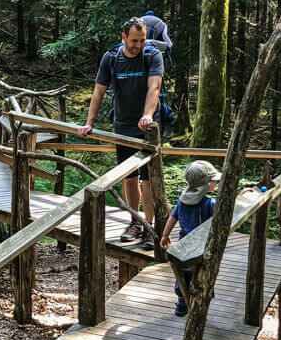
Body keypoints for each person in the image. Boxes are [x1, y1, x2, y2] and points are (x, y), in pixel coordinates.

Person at [79, 17, 164, 250]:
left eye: (143, 40)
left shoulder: (152, 56)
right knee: (129, 177)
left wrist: (147, 115)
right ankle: (134, 222)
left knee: (148, 178)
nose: (139, 45)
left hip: (148, 129)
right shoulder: (111, 59)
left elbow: (154, 87)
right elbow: (98, 91)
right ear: (124, 37)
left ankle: (149, 226)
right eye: (135, 40)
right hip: (122, 125)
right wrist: (89, 123)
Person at [160, 160, 220, 316]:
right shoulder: (210, 203)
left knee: (183, 274)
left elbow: (172, 218)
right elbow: (221, 221)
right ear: (206, 184)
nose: (215, 183)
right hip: (201, 249)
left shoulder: (182, 200)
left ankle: (181, 303)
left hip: (183, 246)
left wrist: (165, 235)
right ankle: (199, 305)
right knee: (202, 276)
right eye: (213, 181)